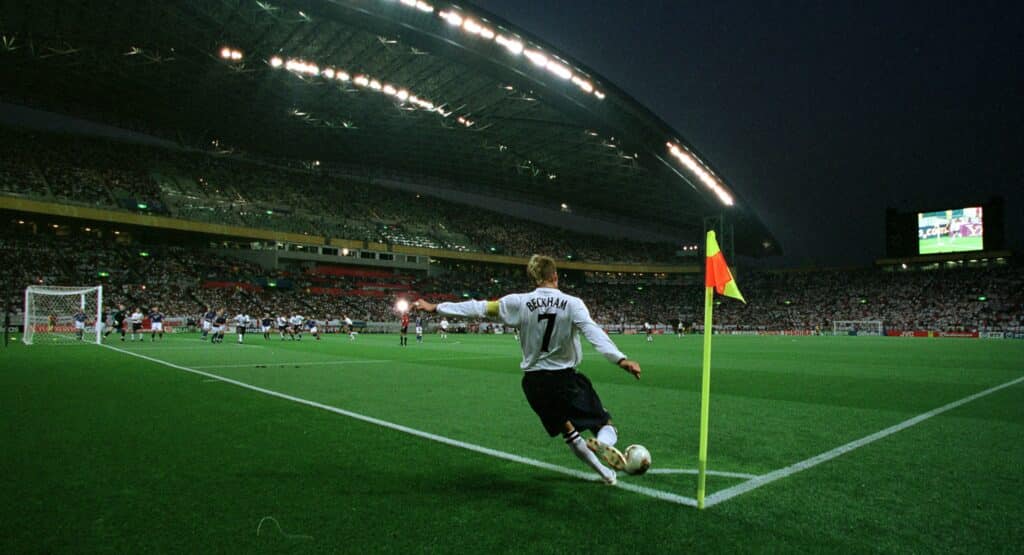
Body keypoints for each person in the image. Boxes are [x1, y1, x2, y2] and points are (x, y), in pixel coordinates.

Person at [413, 255, 642, 485]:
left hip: (534, 385)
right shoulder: (573, 303)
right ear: (555, 276)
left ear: (534, 277)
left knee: (569, 433)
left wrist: (435, 307)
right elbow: (594, 333)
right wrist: (620, 360)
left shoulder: (518, 302)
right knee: (604, 423)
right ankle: (605, 444)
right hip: (564, 380)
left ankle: (606, 474)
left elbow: (478, 307)